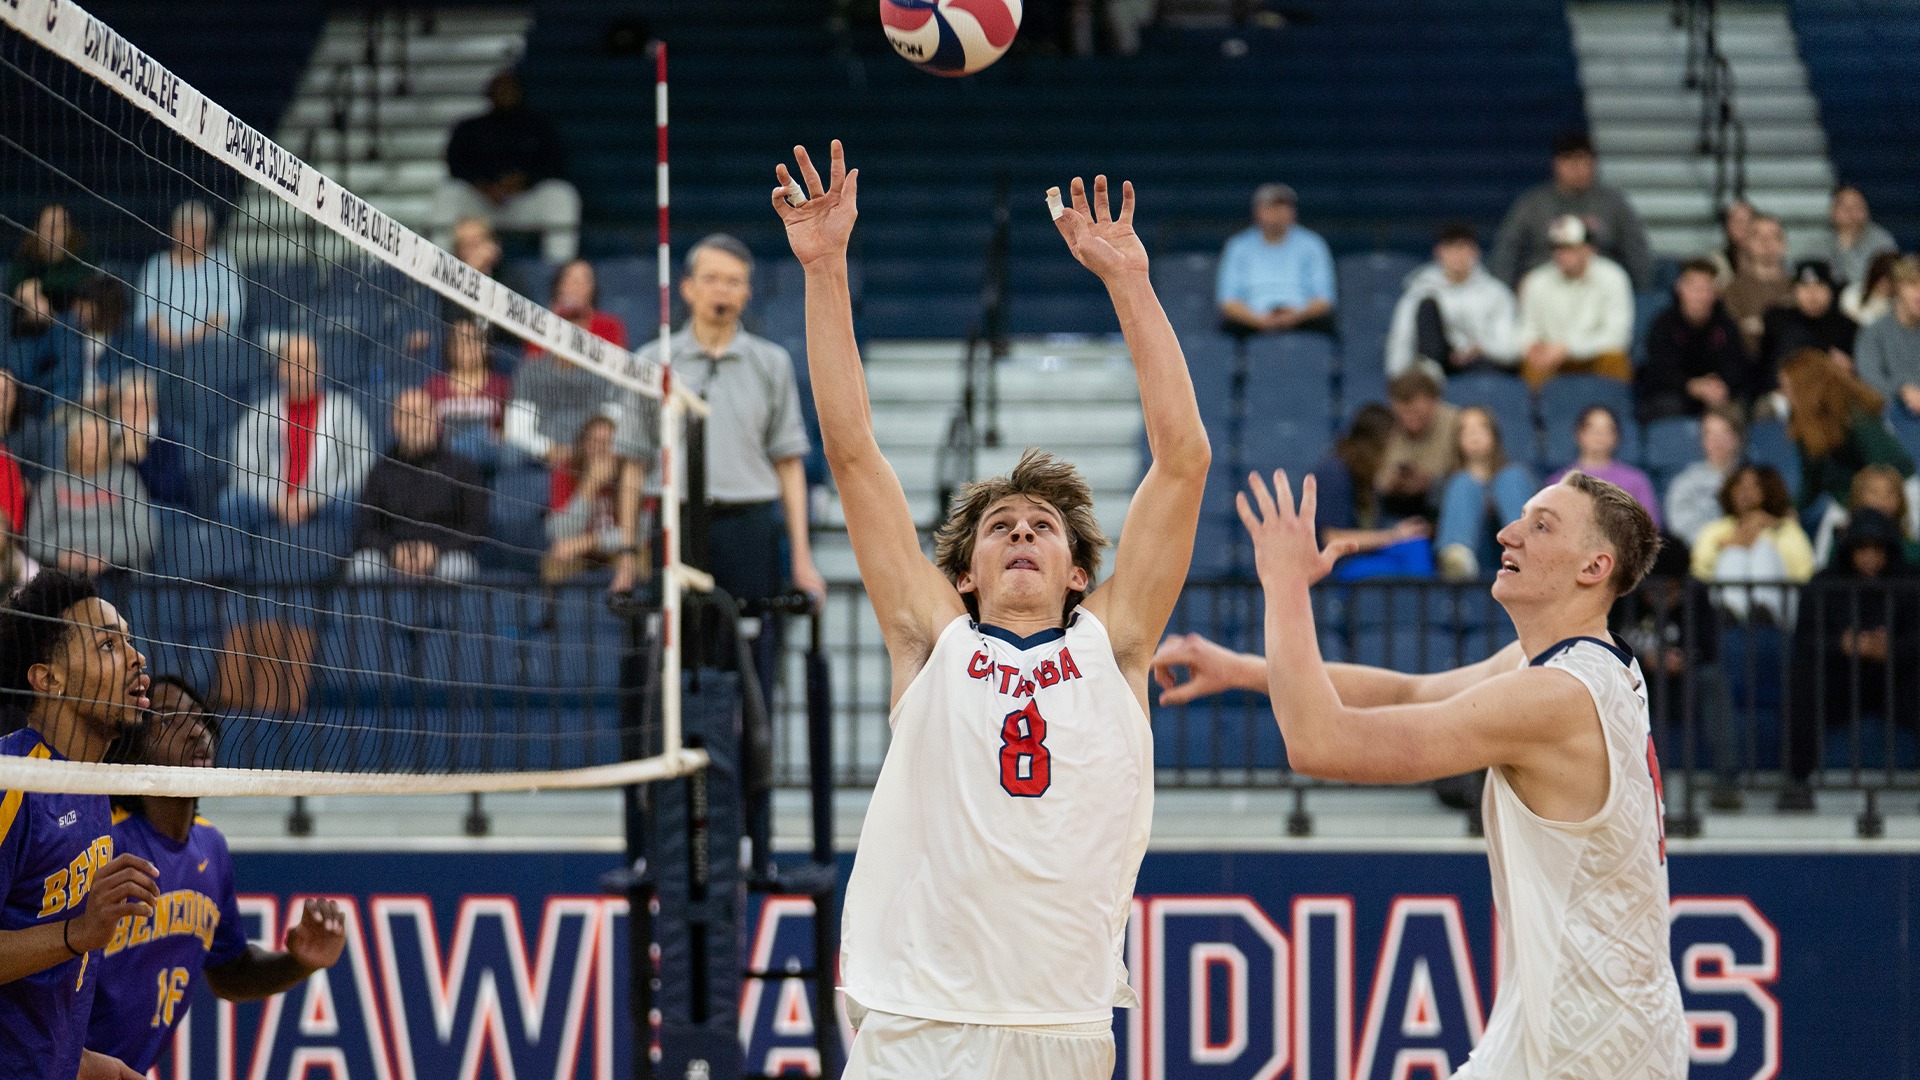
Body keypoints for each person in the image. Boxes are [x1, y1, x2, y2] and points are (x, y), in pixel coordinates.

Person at [774, 143, 1206, 1079]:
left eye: (1041, 527)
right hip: (917, 1020)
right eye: (1000, 527)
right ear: (964, 575)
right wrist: (825, 269)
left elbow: (1183, 462)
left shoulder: (1116, 643)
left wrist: (1130, 282)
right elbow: (851, 453)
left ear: (1079, 572)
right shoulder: (931, 638)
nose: (1020, 534)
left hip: (1061, 1024)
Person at [1153, 468, 1684, 1078]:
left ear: (1594, 567)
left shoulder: (1554, 697)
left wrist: (1284, 584)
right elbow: (1410, 692)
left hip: (1592, 1048)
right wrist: (1246, 669)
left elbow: (1321, 743)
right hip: (1587, 1024)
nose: (1508, 533)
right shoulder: (1577, 661)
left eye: (1541, 526)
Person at [87, 676, 347, 1074]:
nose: (197, 731)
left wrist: (299, 963)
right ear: (133, 746)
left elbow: (230, 971)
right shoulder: (103, 838)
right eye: (170, 719)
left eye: (200, 718)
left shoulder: (210, 846)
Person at [0, 570, 160, 1080]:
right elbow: (73, 937)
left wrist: (90, 1066)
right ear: (49, 679)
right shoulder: (11, 782)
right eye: (108, 645)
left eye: (130, 642)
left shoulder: (91, 786)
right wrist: (80, 932)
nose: (136, 658)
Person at [615, 233, 823, 604]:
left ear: (747, 293)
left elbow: (788, 463)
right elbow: (633, 463)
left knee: (748, 633)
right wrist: (627, 559)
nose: (722, 290)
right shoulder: (652, 362)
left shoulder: (772, 363)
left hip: (748, 525)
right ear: (688, 288)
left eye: (733, 281)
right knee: (675, 634)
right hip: (675, 521)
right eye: (711, 279)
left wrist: (802, 560)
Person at [1781, 508, 1918, 810]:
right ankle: (1796, 783)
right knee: (1803, 681)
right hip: (1840, 679)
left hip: (1897, 679)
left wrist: (1891, 648)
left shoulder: (1910, 582)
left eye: (1877, 549)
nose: (1870, 557)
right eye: (1862, 549)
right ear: (1849, 550)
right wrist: (1843, 644)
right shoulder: (1824, 583)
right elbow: (1805, 640)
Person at [220, 333, 374, 539]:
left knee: (351, 501)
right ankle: (241, 560)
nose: (301, 368)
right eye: (292, 361)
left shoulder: (344, 410)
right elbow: (243, 472)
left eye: (308, 361)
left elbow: (362, 466)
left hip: (325, 503)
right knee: (231, 502)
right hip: (271, 504)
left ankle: (344, 558)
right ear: (280, 369)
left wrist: (314, 500)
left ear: (320, 368)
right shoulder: (258, 416)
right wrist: (277, 501)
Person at [432, 70, 581, 263]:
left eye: (510, 89)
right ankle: (437, 263)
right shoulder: (469, 128)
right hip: (481, 203)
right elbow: (456, 165)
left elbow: (553, 165)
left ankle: (558, 269)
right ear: (489, 93)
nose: (505, 94)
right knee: (449, 193)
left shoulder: (538, 127)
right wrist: (484, 186)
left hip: (522, 202)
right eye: (500, 89)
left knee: (562, 194)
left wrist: (523, 181)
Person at [349, 388, 487, 582]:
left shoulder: (462, 469)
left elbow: (477, 526)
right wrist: (393, 551)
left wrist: (437, 550)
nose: (416, 422)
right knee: (363, 564)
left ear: (437, 419)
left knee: (457, 566)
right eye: (407, 415)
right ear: (393, 423)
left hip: (445, 555)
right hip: (391, 557)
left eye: (422, 412)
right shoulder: (380, 472)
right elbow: (365, 529)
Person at [1489, 130, 1653, 289]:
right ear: (1556, 164)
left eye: (1583, 161)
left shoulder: (1613, 203)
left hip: (1598, 289)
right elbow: (1506, 251)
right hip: (1545, 288)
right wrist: (1506, 292)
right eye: (1570, 161)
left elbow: (1637, 252)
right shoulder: (1533, 203)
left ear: (1593, 164)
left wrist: (1640, 292)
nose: (1578, 169)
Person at [1778, 347, 1914, 515]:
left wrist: (1868, 513)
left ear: (1807, 388)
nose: (1783, 394)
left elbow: (1886, 469)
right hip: (1850, 506)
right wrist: (1788, 511)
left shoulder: (1856, 417)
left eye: (1787, 387)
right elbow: (1812, 479)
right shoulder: (1804, 425)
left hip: (1897, 498)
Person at [24, 412, 156, 577]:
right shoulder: (51, 484)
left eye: (99, 436)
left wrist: (107, 558)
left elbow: (144, 536)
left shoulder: (126, 479)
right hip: (63, 575)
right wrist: (61, 556)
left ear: (110, 443)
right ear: (71, 442)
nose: (93, 442)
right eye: (85, 435)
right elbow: (33, 538)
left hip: (117, 573)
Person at [1385, 223, 1521, 379]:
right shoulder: (1420, 291)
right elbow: (1401, 339)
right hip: (1438, 365)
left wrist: (1480, 348)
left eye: (1463, 248)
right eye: (1450, 248)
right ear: (1438, 252)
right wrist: (1397, 378)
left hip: (1483, 364)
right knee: (1427, 307)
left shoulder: (1496, 293)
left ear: (1475, 252)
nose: (1457, 255)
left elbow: (1510, 349)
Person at [1309, 404, 1432, 572]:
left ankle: (1424, 587)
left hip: (1367, 556)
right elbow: (1332, 538)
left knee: (1416, 546)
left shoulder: (1369, 476)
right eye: (1391, 444)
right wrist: (1394, 535)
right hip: (1337, 566)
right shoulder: (1335, 473)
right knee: (1406, 564)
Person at [1515, 215, 1635, 388]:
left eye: (1569, 248)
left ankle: (1611, 403)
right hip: (1551, 359)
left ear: (1589, 249)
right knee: (1533, 363)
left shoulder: (1613, 277)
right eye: (1556, 248)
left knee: (1614, 359)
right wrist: (1532, 346)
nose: (1561, 254)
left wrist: (1568, 349)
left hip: (1594, 357)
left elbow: (1618, 336)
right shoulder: (1536, 280)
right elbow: (1528, 327)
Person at [1690, 464, 1814, 626]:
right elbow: (1699, 571)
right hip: (1721, 615)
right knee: (1733, 553)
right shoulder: (1715, 529)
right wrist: (1735, 540)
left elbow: (1804, 571)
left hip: (1781, 615)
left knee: (1763, 549)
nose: (1745, 492)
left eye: (1754, 486)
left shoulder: (1784, 528)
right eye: (1739, 485)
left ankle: (1764, 614)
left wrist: (1767, 530)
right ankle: (1731, 615)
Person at [1635, 258, 1755, 421]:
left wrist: (1721, 385)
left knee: (1737, 409)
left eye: (1706, 288)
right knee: (1668, 407)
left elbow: (1736, 365)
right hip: (1674, 395)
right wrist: (1692, 386)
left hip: (1717, 395)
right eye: (1693, 287)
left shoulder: (1726, 326)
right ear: (1680, 287)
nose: (1699, 295)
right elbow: (1660, 370)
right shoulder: (1663, 325)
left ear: (1716, 293)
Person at [1215, 183, 1336, 335]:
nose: (1278, 213)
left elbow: (1325, 300)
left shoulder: (1313, 244)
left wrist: (1295, 317)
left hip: (1303, 319)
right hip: (1251, 321)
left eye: (1284, 207)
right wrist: (1259, 320)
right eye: (1271, 207)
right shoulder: (1238, 246)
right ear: (1257, 211)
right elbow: (1227, 301)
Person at [1434, 406, 1536, 580]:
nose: (1474, 435)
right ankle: (1457, 556)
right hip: (1474, 554)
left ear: (1494, 435)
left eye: (1481, 428)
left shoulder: (1514, 477)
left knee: (1511, 477)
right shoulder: (1449, 483)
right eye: (1466, 430)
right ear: (1457, 440)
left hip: (1510, 556)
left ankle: (1525, 552)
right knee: (1462, 483)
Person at [134, 201, 245, 357]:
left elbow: (233, 308)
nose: (190, 236)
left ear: (208, 233)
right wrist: (168, 336)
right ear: (173, 231)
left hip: (211, 346)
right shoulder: (156, 264)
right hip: (161, 344)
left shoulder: (224, 263)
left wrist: (199, 334)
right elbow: (145, 311)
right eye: (184, 230)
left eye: (197, 231)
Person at [1546, 405, 1664, 531]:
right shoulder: (1557, 482)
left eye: (1607, 429)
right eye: (1592, 429)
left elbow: (1649, 528)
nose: (1599, 435)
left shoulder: (1636, 480)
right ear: (1579, 433)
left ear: (1616, 436)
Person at [542, 412, 625, 584]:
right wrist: (589, 487)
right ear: (582, 445)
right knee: (554, 565)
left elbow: (638, 535)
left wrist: (590, 542)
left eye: (608, 443)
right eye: (594, 442)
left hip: (618, 551)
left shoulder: (630, 474)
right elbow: (560, 533)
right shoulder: (566, 470)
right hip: (576, 553)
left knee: (639, 561)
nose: (601, 449)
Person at [423, 317, 512, 468]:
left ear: (486, 346)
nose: (467, 346)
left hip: (490, 466)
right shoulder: (433, 386)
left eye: (474, 339)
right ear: (450, 347)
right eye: (460, 340)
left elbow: (509, 436)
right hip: (445, 466)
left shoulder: (504, 386)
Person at [1375, 369, 1459, 520]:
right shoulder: (1387, 424)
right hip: (1396, 504)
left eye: (1416, 412)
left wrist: (1429, 483)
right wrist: (1392, 482)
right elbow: (1377, 475)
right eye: (1404, 413)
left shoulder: (1457, 424)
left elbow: (1470, 476)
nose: (1409, 419)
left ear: (1434, 402)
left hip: (1444, 504)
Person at [1663, 405, 1745, 547]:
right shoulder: (1685, 482)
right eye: (1710, 434)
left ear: (1737, 438)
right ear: (1702, 440)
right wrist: (1718, 542)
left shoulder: (1754, 481)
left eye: (1724, 433)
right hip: (1704, 549)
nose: (1717, 441)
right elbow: (1680, 528)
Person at [1759, 260, 1857, 377]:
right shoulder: (1779, 319)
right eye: (1805, 287)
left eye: (1819, 286)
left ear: (1830, 291)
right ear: (1794, 291)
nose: (1812, 294)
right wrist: (1826, 353)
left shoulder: (1847, 327)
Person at [107, 371, 188, 508]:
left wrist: (141, 460)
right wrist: (116, 458)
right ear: (117, 406)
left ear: (154, 405)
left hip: (156, 510)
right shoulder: (101, 433)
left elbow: (172, 495)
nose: (135, 410)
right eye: (128, 403)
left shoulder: (169, 438)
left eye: (142, 403)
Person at [1854, 255, 1920, 415]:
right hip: (1890, 416)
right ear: (1898, 288)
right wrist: (1902, 390)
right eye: (1913, 285)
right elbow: (1869, 379)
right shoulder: (1873, 333)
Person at [1723, 212, 1792, 357]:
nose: (1766, 242)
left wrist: (1756, 326)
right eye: (1757, 236)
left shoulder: (1797, 287)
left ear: (1783, 244)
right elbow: (1734, 335)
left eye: (1773, 236)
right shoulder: (1733, 290)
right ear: (1747, 242)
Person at [5, 204, 93, 314]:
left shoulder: (83, 251)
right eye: (46, 226)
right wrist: (31, 298)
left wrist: (40, 284)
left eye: (58, 226)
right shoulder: (27, 251)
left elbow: (83, 280)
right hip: (36, 312)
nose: (52, 232)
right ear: (37, 229)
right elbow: (14, 287)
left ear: (69, 229)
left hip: (73, 311)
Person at [1828, 183, 1899, 290]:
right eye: (1845, 207)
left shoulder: (1882, 241)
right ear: (1832, 211)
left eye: (1857, 206)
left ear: (1866, 210)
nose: (1851, 213)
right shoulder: (1819, 241)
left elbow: (1886, 280)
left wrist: (1846, 249)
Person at [1840, 250, 1899, 327]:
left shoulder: (1899, 305)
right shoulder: (1852, 296)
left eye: (1891, 279)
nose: (1886, 284)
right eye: (1882, 278)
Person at [1707, 199, 1756, 285]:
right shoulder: (1716, 260)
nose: (1744, 227)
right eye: (1738, 222)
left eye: (1749, 221)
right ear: (1727, 226)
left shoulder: (1768, 257)